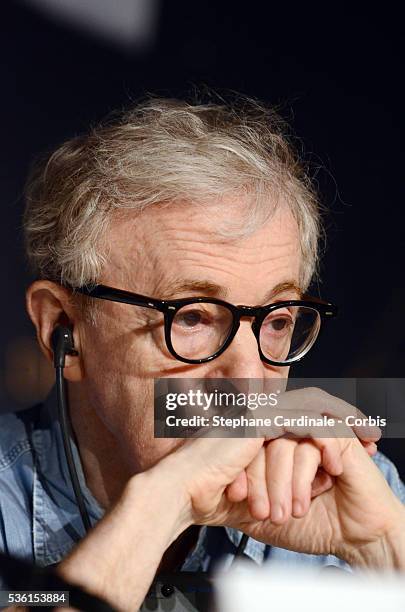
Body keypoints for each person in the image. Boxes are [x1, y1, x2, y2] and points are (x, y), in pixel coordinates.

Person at [0, 96, 404, 611]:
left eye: (276, 321)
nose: (246, 380)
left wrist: (385, 549)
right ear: (64, 328)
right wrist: (160, 504)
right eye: (191, 317)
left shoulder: (351, 491)